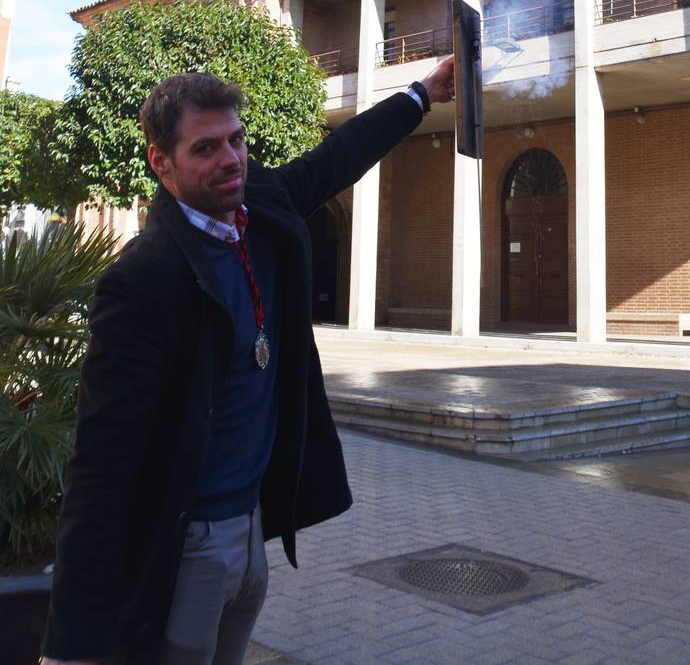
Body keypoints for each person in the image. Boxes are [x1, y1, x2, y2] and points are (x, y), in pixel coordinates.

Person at [40, 55, 455, 665]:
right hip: (188, 546)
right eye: (205, 148)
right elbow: (101, 461)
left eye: (235, 139)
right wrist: (69, 641)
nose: (230, 158)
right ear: (163, 163)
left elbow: (338, 157)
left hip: (253, 531)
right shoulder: (144, 278)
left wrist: (421, 94)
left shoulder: (260, 206)